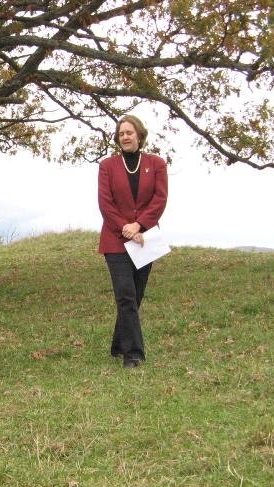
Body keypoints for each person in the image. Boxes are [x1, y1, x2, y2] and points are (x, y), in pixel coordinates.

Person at [98, 114, 168, 368]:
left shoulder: (157, 163)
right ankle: (133, 353)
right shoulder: (107, 165)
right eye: (121, 133)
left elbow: (159, 199)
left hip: (145, 239)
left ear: (139, 135)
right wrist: (125, 228)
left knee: (136, 296)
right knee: (125, 295)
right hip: (115, 240)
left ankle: (119, 344)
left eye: (129, 132)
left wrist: (140, 225)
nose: (125, 137)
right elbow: (105, 203)